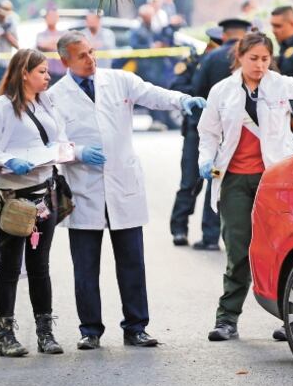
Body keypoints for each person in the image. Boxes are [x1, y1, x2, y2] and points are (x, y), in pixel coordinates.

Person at [45, 31, 206, 350]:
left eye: (92, 52)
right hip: (84, 189)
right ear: (65, 61)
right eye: (82, 56)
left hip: (123, 184)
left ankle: (136, 326)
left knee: (132, 262)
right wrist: (77, 153)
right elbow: (52, 145)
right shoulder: (55, 97)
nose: (90, 60)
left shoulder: (119, 80)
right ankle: (90, 329)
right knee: (86, 266)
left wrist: (182, 100)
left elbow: (153, 94)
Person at [197, 32, 293, 343]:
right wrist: (206, 160)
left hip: (277, 180)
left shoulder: (284, 85)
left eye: (265, 59)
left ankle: (288, 318)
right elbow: (208, 133)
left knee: (282, 249)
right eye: (254, 59)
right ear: (240, 57)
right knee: (238, 250)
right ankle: (226, 319)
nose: (260, 65)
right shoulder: (222, 91)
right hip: (235, 178)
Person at [0, 50, 66, 357]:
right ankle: (6, 336)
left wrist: (63, 151)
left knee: (40, 266)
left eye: (47, 71)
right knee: (10, 266)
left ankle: (46, 333)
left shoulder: (47, 103)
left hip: (44, 195)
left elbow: (58, 139)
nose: (48, 76)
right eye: (42, 71)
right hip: (12, 201)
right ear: (24, 73)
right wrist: (8, 160)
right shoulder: (0, 108)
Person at [169, 27, 222, 250]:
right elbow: (177, 86)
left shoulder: (234, 65)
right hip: (195, 131)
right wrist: (199, 95)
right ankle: (179, 228)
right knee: (190, 181)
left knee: (216, 182)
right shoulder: (194, 61)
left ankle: (210, 237)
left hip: (222, 135)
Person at [192, 17, 251, 101]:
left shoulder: (211, 56)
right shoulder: (255, 55)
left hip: (216, 109)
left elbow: (198, 88)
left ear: (223, 36)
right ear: (246, 36)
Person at [35, 8, 66, 83]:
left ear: (58, 18)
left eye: (54, 16)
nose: (52, 18)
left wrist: (49, 43)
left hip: (63, 73)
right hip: (46, 73)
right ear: (45, 18)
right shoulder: (40, 35)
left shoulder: (64, 33)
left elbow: (66, 46)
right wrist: (57, 43)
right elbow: (41, 45)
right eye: (50, 16)